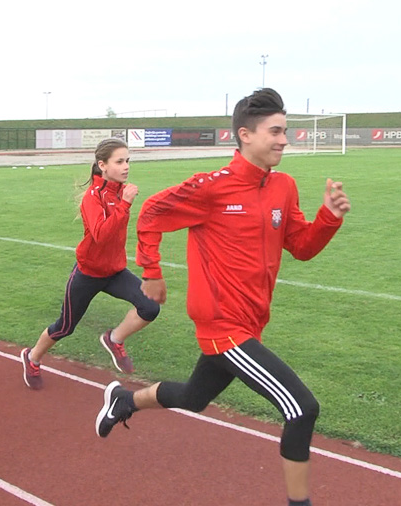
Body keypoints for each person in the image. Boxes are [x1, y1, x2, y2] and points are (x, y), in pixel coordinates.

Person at [94, 88, 350, 506]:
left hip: (251, 321)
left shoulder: (284, 187)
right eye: (276, 131)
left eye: (285, 131)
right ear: (245, 135)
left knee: (193, 398)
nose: (285, 140)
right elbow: (152, 212)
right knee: (302, 408)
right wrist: (152, 272)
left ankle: (124, 400)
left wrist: (329, 218)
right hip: (221, 324)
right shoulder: (212, 187)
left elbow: (301, 247)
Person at [21, 138, 161, 390]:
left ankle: (114, 339)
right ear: (102, 165)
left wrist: (124, 202)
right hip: (88, 273)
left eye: (128, 160)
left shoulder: (118, 191)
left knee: (150, 307)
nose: (126, 166)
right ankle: (32, 358)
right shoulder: (93, 197)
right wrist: (125, 204)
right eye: (119, 161)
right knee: (64, 327)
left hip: (115, 271)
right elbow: (101, 235)